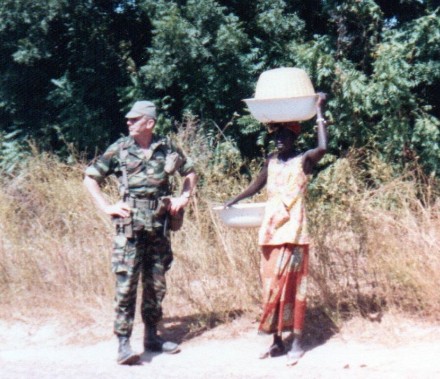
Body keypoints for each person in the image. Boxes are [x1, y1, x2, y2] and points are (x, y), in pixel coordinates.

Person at [83, 100, 197, 365]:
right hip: (130, 228)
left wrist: (184, 197)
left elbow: (189, 172)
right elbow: (90, 178)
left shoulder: (166, 147)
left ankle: (152, 337)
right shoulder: (120, 149)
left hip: (158, 227)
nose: (129, 122)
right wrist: (107, 206)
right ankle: (123, 343)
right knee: (126, 285)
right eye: (129, 119)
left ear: (149, 123)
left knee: (156, 285)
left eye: (135, 119)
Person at [225, 93, 327, 366]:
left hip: (294, 233)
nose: (279, 141)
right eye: (276, 137)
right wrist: (233, 201)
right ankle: (276, 342)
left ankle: (296, 342)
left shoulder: (304, 160)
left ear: (295, 139)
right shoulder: (271, 161)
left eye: (284, 137)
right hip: (270, 234)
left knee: (293, 288)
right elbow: (256, 185)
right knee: (271, 288)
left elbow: (324, 148)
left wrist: (319, 112)